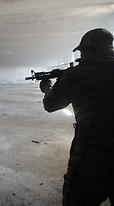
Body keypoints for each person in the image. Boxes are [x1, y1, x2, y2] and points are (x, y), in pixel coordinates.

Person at [39, 28, 114, 205]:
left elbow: (50, 105)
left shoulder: (78, 74)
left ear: (88, 50)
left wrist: (47, 88)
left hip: (91, 161)